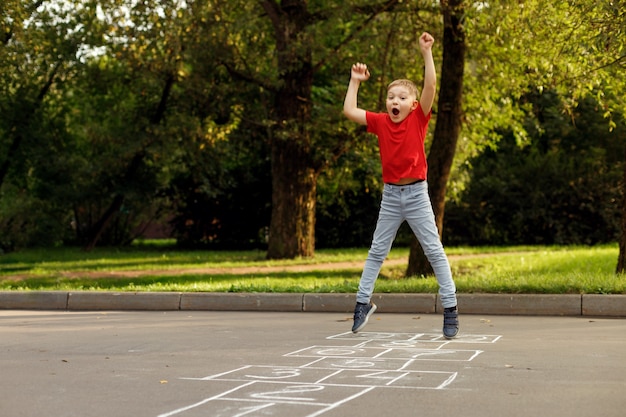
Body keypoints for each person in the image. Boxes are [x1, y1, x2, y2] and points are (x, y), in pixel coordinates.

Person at [342, 31, 459, 339]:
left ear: (413, 104)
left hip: (417, 193)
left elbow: (431, 85)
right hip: (391, 195)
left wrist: (426, 53)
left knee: (434, 250)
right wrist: (355, 81)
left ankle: (450, 308)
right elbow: (350, 111)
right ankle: (362, 303)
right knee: (377, 251)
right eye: (391, 97)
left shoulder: (418, 118)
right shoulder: (380, 121)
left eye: (402, 98)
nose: (395, 101)